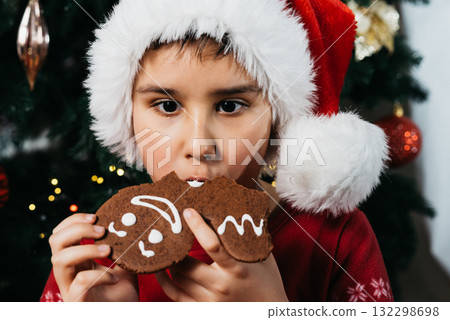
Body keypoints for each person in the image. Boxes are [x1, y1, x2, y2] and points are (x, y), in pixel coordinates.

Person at [40, 0, 394, 302]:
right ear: (127, 115)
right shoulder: (91, 257)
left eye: (229, 106)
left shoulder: (337, 237)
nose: (198, 145)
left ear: (279, 119)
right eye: (165, 106)